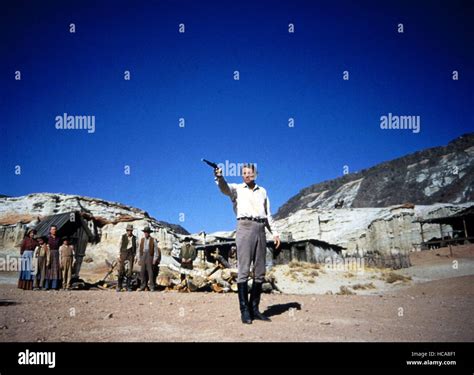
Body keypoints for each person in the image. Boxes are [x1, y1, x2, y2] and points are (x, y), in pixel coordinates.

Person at [214, 163, 280, 324]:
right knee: (243, 269)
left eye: (249, 173)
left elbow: (268, 214)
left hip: (261, 229)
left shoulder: (263, 191)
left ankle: (255, 309)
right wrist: (219, 176)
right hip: (244, 227)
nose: (246, 175)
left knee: (260, 271)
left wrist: (276, 233)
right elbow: (224, 188)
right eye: (244, 173)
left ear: (255, 174)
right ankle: (244, 311)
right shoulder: (237, 189)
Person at [138, 226, 159, 291]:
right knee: (142, 271)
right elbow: (139, 250)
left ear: (149, 233)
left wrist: (155, 259)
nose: (146, 233)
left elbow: (156, 250)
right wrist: (139, 258)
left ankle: (152, 286)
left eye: (147, 232)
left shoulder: (153, 240)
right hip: (143, 255)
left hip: (150, 256)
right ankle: (143, 286)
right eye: (145, 232)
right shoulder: (142, 240)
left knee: (150, 272)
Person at [116, 224, 137, 292]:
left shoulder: (135, 238)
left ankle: (128, 286)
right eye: (128, 230)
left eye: (130, 230)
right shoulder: (122, 237)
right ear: (126, 230)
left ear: (132, 231)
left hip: (131, 255)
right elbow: (118, 246)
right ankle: (119, 286)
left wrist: (136, 256)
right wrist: (118, 255)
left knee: (130, 271)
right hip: (123, 254)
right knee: (121, 270)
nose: (129, 231)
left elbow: (137, 248)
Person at [46, 225, 62, 290]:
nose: (54, 230)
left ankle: (54, 286)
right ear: (50, 230)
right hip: (49, 253)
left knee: (56, 269)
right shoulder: (47, 238)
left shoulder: (58, 238)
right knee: (48, 269)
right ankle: (47, 285)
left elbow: (61, 246)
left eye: (55, 229)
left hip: (57, 254)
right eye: (52, 229)